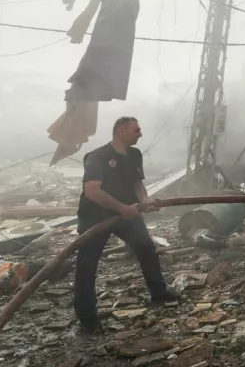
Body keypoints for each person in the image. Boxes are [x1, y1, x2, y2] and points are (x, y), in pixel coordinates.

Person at [74, 117, 179, 335]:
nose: (140, 134)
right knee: (87, 264)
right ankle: (87, 318)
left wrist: (144, 202)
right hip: (95, 217)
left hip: (127, 214)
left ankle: (159, 293)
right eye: (136, 130)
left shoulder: (134, 155)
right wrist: (122, 208)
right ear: (121, 130)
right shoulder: (98, 157)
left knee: (146, 248)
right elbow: (92, 191)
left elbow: (137, 183)